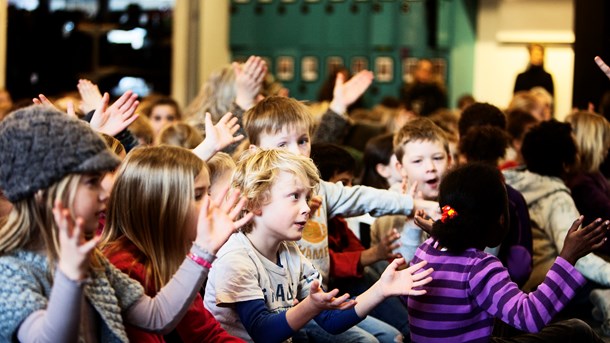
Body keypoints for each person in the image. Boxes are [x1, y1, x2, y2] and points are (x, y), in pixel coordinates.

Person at [0, 104, 247, 341]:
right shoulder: (10, 270)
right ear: (49, 193)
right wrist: (70, 276)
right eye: (91, 183)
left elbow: (157, 315)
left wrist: (202, 250)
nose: (105, 194)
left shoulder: (95, 262)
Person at [204, 149, 434, 343]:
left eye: (306, 197)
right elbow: (263, 332)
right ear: (255, 202)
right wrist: (310, 307)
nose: (306, 208)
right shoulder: (235, 257)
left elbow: (332, 322)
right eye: (294, 196)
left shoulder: (291, 253)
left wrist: (381, 290)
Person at [408, 162, 607, 342]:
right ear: (501, 219)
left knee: (501, 316)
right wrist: (568, 257)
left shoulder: (425, 251)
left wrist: (438, 232)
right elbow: (531, 317)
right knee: (576, 330)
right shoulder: (479, 267)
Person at [101, 146, 245, 342]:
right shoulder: (125, 267)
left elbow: (205, 334)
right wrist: (203, 251)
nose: (210, 204)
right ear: (161, 205)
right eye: (198, 195)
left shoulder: (172, 255)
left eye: (208, 193)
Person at [371, 117, 450, 264]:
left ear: (450, 160)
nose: (430, 167)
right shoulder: (392, 207)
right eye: (418, 161)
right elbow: (402, 266)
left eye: (438, 158)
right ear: (401, 168)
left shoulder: (457, 198)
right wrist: (412, 224)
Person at [565, 111, 610, 256]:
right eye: (605, 139)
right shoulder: (581, 184)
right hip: (597, 257)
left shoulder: (593, 175)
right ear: (591, 142)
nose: (608, 146)